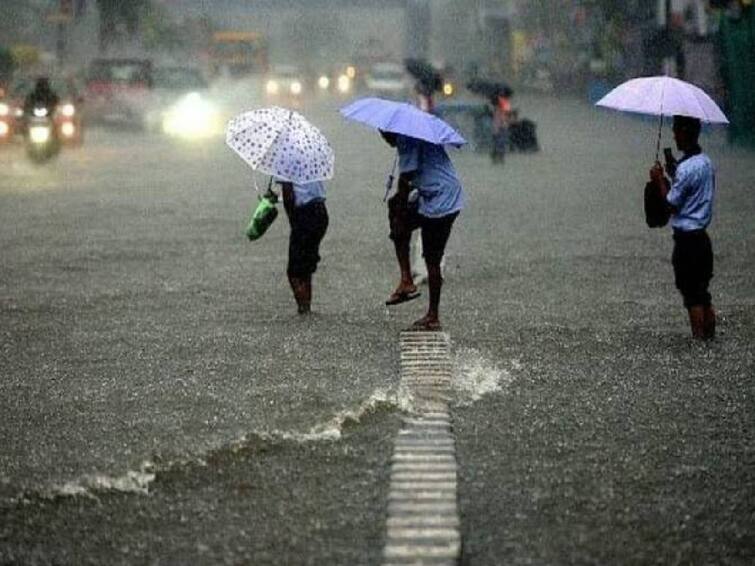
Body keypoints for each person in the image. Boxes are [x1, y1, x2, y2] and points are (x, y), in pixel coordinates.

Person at [381, 130, 464, 331]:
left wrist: (399, 205)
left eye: (384, 135)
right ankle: (406, 279)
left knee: (432, 258)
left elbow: (406, 179)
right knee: (398, 219)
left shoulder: (407, 140)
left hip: (442, 201)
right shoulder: (411, 138)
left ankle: (433, 315)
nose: (384, 139)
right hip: (432, 193)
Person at [649, 115, 716, 340]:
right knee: (703, 294)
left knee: (692, 296)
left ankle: (698, 344)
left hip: (687, 242)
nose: (673, 135)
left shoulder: (686, 170)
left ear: (685, 133)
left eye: (676, 130)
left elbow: (670, 205)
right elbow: (690, 187)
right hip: (703, 240)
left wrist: (659, 179)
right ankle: (709, 342)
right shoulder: (705, 162)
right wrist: (673, 172)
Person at [276, 178, 329, 315]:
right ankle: (307, 305)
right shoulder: (312, 158)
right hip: (321, 212)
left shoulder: (285, 160)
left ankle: (304, 308)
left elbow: (288, 194)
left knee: (294, 271)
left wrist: (293, 221)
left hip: (304, 214)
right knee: (306, 265)